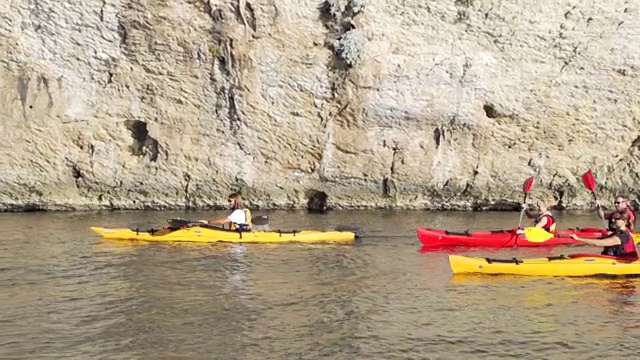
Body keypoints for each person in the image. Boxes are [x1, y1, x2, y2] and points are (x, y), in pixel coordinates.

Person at [570, 209, 638, 258]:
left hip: (624, 262)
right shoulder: (616, 233)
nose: (613, 220)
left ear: (624, 221)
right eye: (613, 218)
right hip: (614, 260)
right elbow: (600, 240)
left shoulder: (623, 235)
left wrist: (579, 239)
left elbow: (599, 243)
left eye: (616, 218)